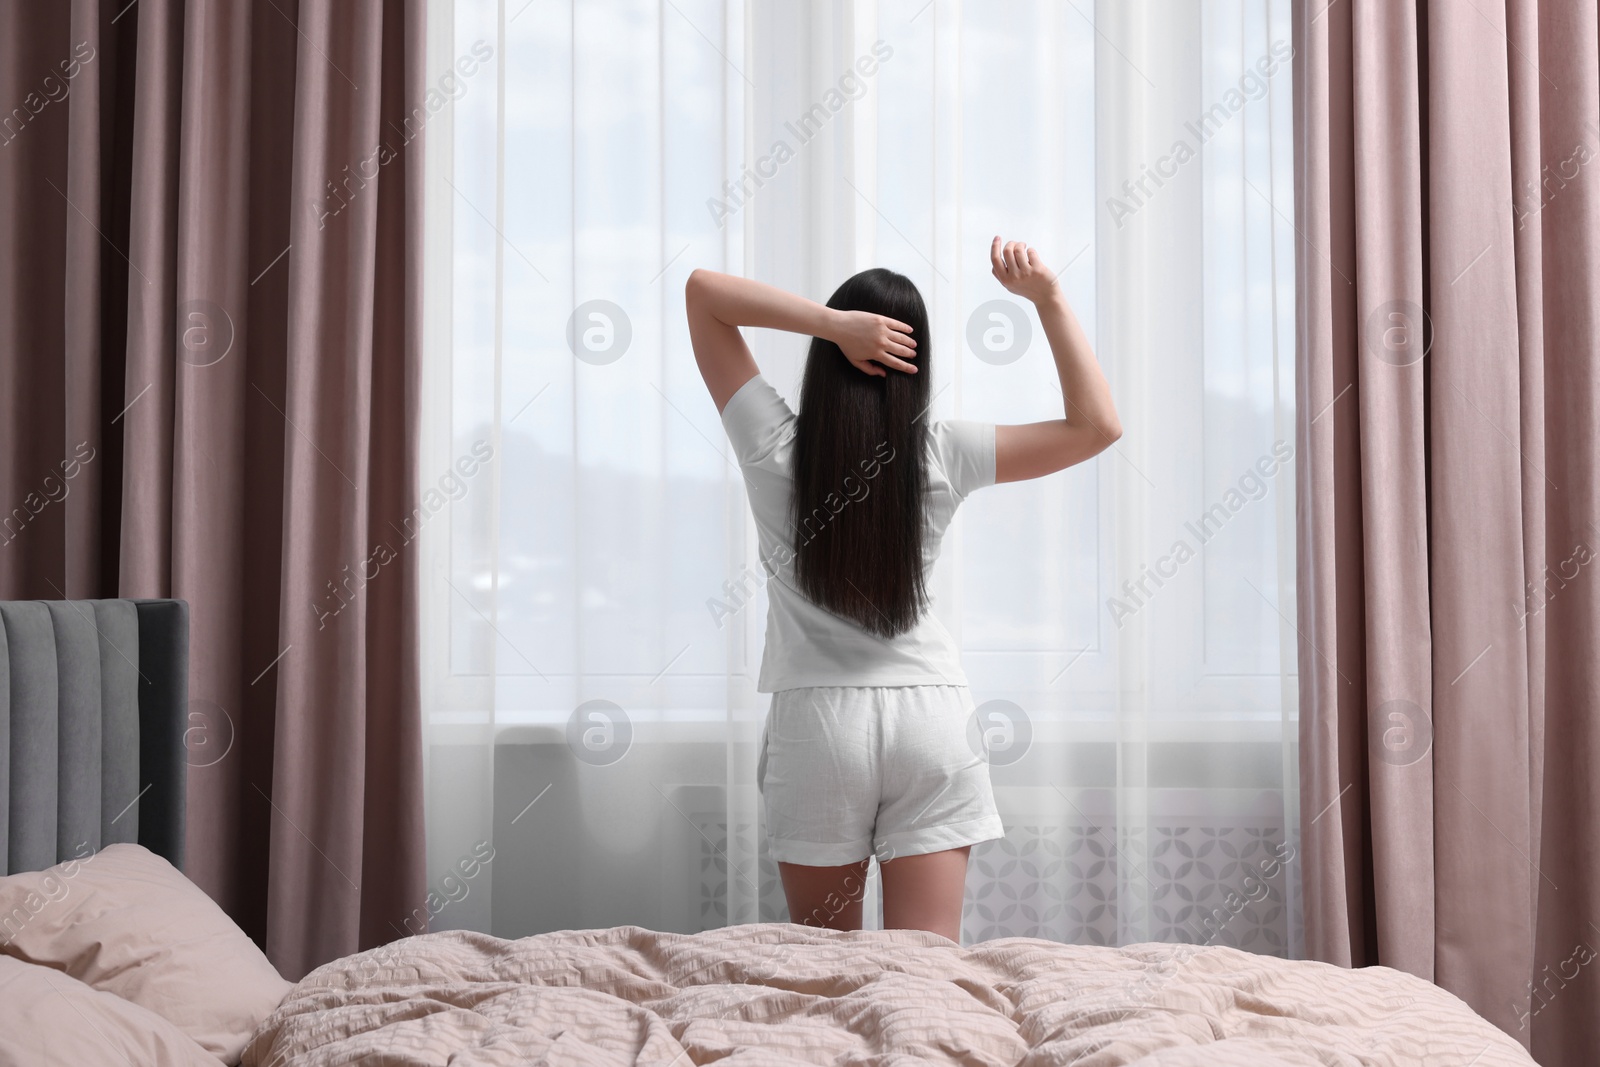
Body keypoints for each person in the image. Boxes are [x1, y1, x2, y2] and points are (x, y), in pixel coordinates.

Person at [685, 237, 1121, 942]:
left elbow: (703, 293)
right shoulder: (945, 452)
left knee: (828, 969)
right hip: (932, 719)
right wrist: (1049, 299)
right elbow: (1098, 426)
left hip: (818, 724)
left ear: (828, 363)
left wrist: (833, 326)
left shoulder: (773, 448)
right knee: (925, 973)